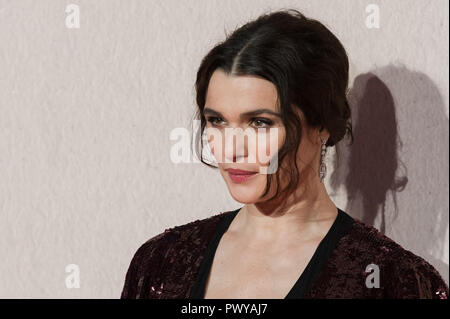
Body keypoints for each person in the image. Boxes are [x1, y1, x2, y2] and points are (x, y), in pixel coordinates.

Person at [121, 9, 449, 299]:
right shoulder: (162, 263)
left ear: (321, 123)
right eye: (217, 120)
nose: (232, 149)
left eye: (260, 122)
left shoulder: (391, 280)